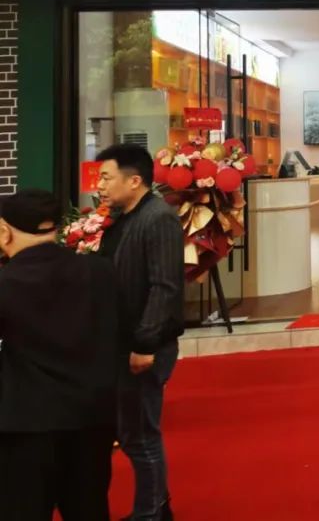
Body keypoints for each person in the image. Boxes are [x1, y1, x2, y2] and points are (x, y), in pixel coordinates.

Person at [0, 189, 118, 521]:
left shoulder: (6, 283)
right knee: (89, 510)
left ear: (5, 232)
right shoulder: (100, 272)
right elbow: (120, 336)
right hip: (91, 419)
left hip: (25, 424)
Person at [97, 144, 185, 521]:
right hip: (122, 340)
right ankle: (155, 507)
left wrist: (145, 343)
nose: (100, 185)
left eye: (106, 177)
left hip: (144, 344)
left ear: (134, 181)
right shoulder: (123, 217)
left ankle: (151, 513)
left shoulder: (158, 218)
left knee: (140, 435)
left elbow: (165, 287)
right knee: (133, 432)